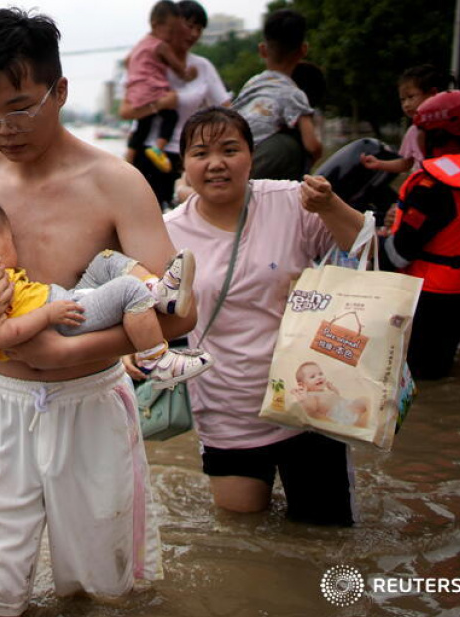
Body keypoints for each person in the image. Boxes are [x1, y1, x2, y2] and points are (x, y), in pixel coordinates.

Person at [0, 8, 196, 617]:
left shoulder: (116, 183)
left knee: (103, 601)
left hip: (91, 403)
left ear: (60, 92)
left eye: (20, 107)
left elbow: (177, 310)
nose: (3, 127)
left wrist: (62, 356)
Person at [143, 106, 365, 527]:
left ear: (251, 154)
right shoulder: (167, 232)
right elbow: (145, 309)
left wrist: (332, 206)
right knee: (243, 534)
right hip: (226, 407)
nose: (215, 164)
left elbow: (364, 251)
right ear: (185, 164)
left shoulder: (292, 201)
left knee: (327, 535)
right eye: (200, 153)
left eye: (230, 150)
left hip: (310, 401)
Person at [0, 188, 210, 385]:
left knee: (105, 260)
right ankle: (156, 360)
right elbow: (1, 336)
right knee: (127, 289)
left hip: (64, 300)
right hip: (63, 319)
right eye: (10, 239)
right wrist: (49, 315)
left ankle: (157, 291)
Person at [378, 90, 460, 380]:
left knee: (411, 378)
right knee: (440, 371)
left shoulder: (431, 186)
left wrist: (372, 240)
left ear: (432, 134)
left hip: (425, 295)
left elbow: (399, 253)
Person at [119, 0, 230, 209]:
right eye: (189, 26)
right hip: (148, 154)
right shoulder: (145, 61)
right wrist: (161, 104)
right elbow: (125, 112)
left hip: (187, 156)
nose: (194, 34)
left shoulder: (203, 67)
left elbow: (227, 110)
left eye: (199, 29)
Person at [231, 8, 322, 181]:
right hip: (257, 164)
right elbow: (311, 145)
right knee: (291, 147)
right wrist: (316, 155)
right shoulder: (294, 94)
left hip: (233, 155)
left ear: (263, 50)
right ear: (303, 50)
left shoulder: (252, 83)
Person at [361, 64, 460, 176]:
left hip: (459, 188)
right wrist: (379, 164)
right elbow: (406, 163)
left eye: (411, 97)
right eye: (402, 100)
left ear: (433, 94)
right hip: (427, 192)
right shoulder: (412, 132)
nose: (406, 104)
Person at [124, 0, 197, 173]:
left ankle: (129, 156)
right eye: (171, 31)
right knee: (170, 116)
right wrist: (189, 75)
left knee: (143, 125)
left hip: (137, 90)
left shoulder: (141, 44)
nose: (172, 37)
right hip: (153, 90)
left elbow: (127, 61)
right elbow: (179, 69)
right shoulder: (161, 46)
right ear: (156, 25)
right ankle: (159, 148)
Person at [292, 361, 369, 427]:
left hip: (347, 404)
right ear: (302, 385)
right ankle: (361, 422)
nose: (319, 377)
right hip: (340, 415)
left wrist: (333, 390)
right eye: (312, 377)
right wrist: (304, 400)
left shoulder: (324, 391)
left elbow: (336, 397)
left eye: (320, 374)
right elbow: (311, 410)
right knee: (362, 419)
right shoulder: (311, 395)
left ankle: (365, 416)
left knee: (364, 399)